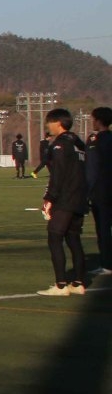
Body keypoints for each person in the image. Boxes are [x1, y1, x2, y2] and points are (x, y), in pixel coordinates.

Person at [38, 108, 91, 296]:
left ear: (58, 123)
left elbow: (58, 174)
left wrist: (49, 198)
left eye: (49, 122)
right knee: (73, 239)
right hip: (80, 198)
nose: (47, 126)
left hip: (65, 199)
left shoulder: (60, 145)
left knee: (54, 237)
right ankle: (78, 282)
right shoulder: (79, 143)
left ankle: (60, 285)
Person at [88, 107, 112, 278]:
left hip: (101, 192)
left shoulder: (96, 141)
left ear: (98, 120)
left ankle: (107, 264)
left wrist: (87, 191)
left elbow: (92, 169)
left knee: (103, 230)